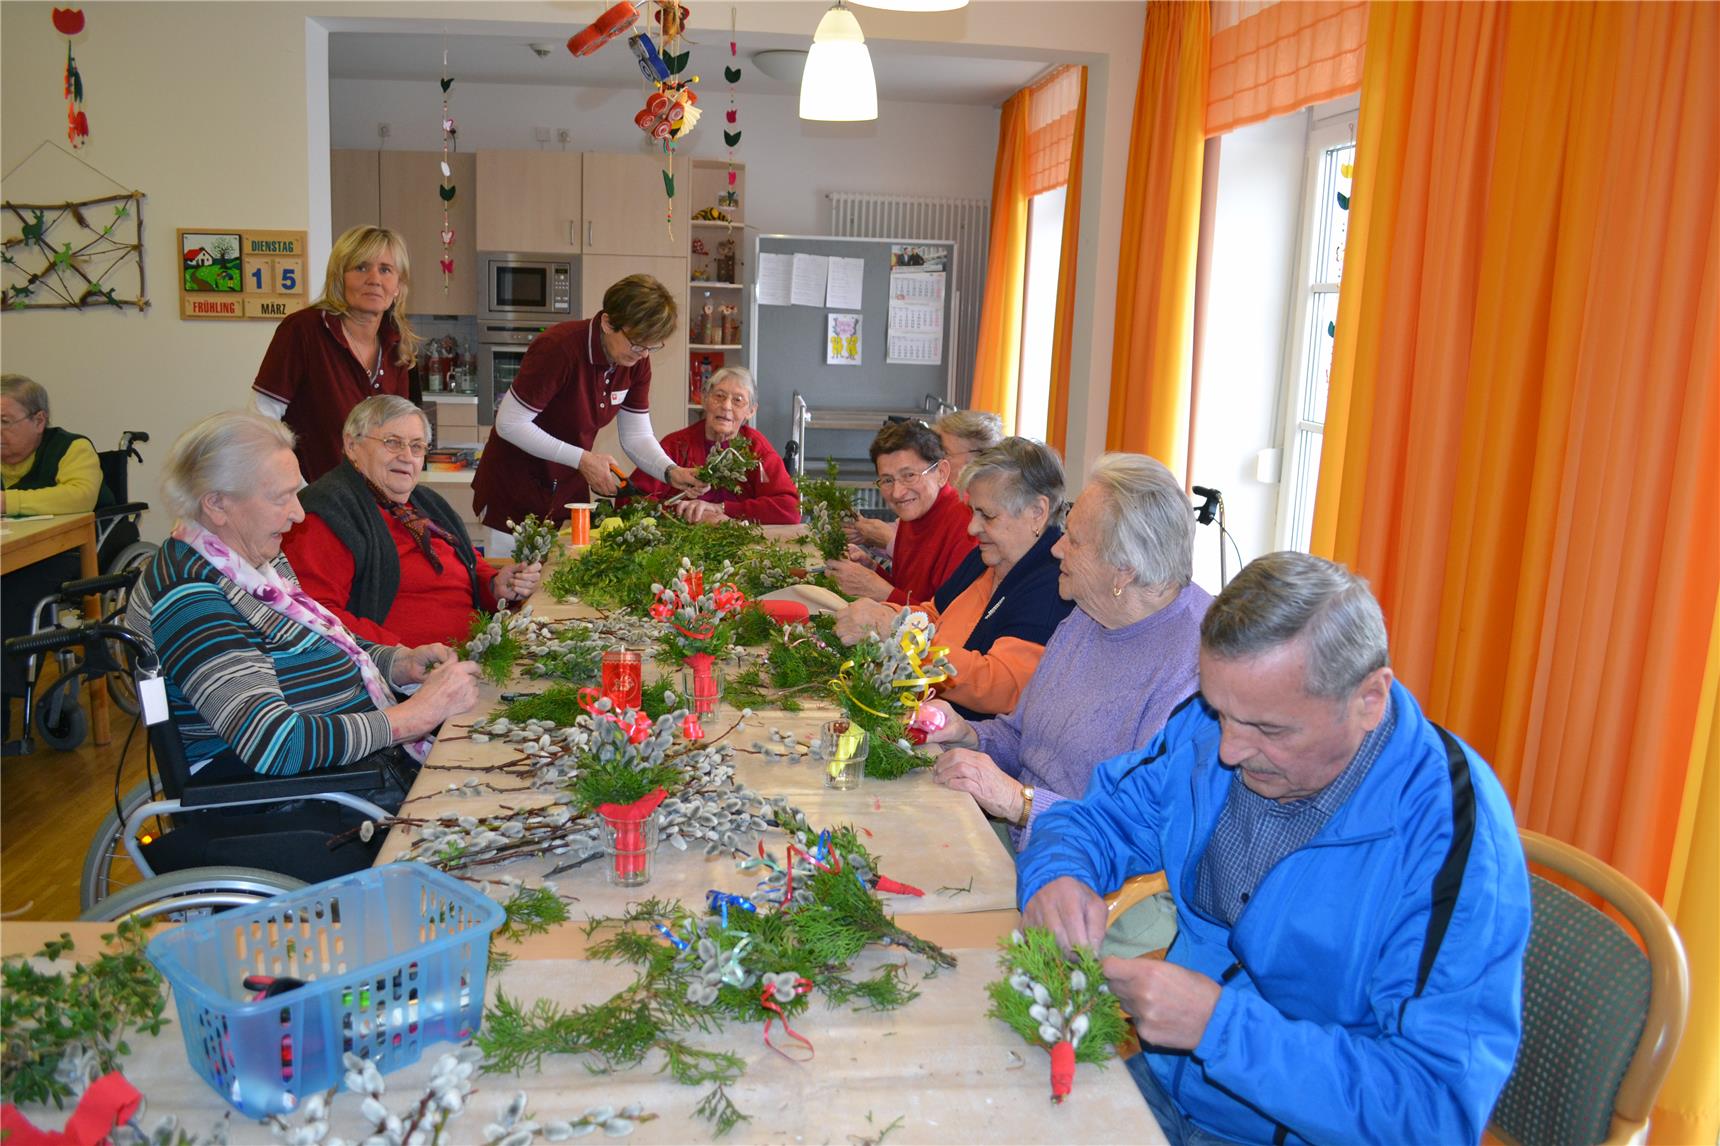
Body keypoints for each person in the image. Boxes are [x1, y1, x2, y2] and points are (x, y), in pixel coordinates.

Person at [1019, 552, 1531, 1146]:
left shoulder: (1447, 838)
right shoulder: (1214, 725)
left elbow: (1432, 1114)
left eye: (1269, 730)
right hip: (1164, 1087)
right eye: (1221, 711)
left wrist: (1220, 1028)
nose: (1230, 750)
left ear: (1370, 698)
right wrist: (1058, 873)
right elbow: (1098, 818)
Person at [125, 411, 482, 781]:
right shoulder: (191, 598)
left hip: (352, 763)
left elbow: (322, 640)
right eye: (281, 498)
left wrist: (396, 662)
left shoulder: (255, 561)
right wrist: (414, 717)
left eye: (297, 493)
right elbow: (275, 743)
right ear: (216, 504)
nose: (298, 514)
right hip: (296, 795)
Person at [923, 454, 1212, 850]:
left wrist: (1018, 802)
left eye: (1075, 540)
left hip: (1090, 880)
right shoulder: (1086, 616)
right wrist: (968, 734)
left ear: (1123, 569)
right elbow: (1022, 737)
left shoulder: (1194, 669)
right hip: (1024, 841)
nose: (1057, 549)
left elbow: (1145, 830)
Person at [835, 438, 1073, 719]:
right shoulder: (990, 557)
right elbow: (935, 614)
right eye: (974, 512)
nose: (973, 527)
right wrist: (882, 615)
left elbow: (1001, 686)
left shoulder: (1053, 583)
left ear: (1037, 512)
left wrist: (901, 636)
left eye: (988, 515)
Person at [471, 274, 705, 555]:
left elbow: (636, 435)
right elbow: (509, 423)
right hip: (514, 492)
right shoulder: (559, 348)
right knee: (513, 591)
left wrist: (670, 471)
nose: (643, 354)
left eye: (652, 346)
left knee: (560, 588)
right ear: (607, 323)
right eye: (638, 343)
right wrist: (582, 459)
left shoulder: (634, 362)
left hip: (567, 494)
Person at [281, 396, 541, 648]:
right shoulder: (329, 510)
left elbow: (470, 565)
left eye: (417, 446)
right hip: (403, 680)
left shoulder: (424, 502)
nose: (407, 456)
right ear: (352, 446)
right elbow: (315, 614)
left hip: (474, 655)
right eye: (392, 442)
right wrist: (398, 657)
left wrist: (495, 585)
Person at [0, 375, 126, 737]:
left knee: (13, 591)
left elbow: (79, 497)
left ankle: (5, 707)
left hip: (68, 551)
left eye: (6, 422)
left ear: (39, 420)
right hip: (13, 549)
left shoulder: (71, 449)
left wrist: (9, 502)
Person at [252, 225, 422, 482]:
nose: (374, 279)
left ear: (398, 286)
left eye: (385, 270)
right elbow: (261, 420)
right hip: (309, 498)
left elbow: (398, 435)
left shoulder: (396, 346)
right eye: (361, 267)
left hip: (371, 499)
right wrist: (295, 488)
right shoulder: (303, 330)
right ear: (339, 277)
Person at [624, 366, 800, 524]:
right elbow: (630, 500)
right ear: (705, 399)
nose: (726, 406)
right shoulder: (677, 445)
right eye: (719, 396)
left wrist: (722, 509)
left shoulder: (756, 449)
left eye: (738, 400)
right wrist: (686, 513)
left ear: (751, 411)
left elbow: (790, 509)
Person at [826, 420, 975, 605]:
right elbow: (908, 593)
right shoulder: (913, 513)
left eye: (909, 476)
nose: (897, 493)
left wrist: (877, 589)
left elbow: (946, 622)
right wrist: (872, 570)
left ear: (942, 473)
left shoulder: (967, 525)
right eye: (887, 480)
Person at [846, 408, 1002, 558]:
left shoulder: (970, 517)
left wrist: (888, 541)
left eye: (943, 452)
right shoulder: (925, 502)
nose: (933, 458)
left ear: (979, 458)